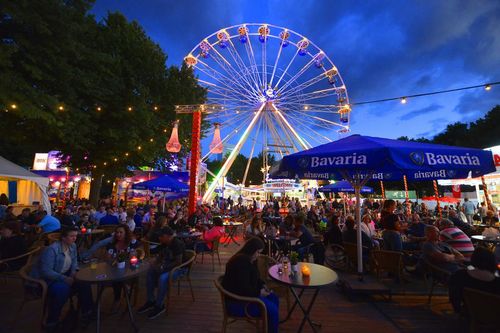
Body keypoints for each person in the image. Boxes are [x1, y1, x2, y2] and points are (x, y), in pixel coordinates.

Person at [30, 227, 93, 331]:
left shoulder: (72, 246)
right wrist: (64, 278)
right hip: (49, 278)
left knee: (84, 281)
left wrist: (73, 272)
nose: (75, 238)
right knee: (62, 290)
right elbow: (46, 271)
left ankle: (88, 311)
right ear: (63, 238)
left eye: (76, 236)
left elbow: (74, 261)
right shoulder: (51, 250)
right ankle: (52, 321)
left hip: (64, 273)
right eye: (72, 236)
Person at [221, 237, 279, 333]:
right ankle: (271, 326)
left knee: (274, 297)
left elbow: (255, 278)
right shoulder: (240, 263)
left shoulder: (250, 259)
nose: (258, 255)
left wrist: (263, 285)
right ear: (251, 250)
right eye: (257, 252)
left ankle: (270, 327)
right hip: (238, 303)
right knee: (272, 310)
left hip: (247, 296)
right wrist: (259, 292)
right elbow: (243, 289)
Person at [137, 226, 185, 319]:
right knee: (150, 272)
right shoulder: (164, 243)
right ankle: (150, 301)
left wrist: (163, 267)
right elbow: (160, 255)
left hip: (180, 269)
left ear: (168, 236)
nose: (159, 238)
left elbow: (178, 262)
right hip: (168, 265)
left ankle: (159, 305)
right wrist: (154, 262)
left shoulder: (177, 244)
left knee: (163, 278)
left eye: (161, 236)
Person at [448, 247, 500, 313]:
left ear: (473, 259)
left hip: (468, 312)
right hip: (494, 316)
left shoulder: (459, 276)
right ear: (492, 262)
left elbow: (454, 297)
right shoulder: (496, 283)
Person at [106, 225, 140, 312]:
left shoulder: (132, 243)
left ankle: (117, 299)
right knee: (116, 276)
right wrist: (113, 260)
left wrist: (134, 256)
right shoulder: (112, 244)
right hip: (115, 269)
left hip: (130, 269)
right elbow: (108, 258)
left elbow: (137, 257)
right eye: (117, 232)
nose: (118, 234)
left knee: (118, 278)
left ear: (126, 233)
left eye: (121, 232)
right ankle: (123, 291)